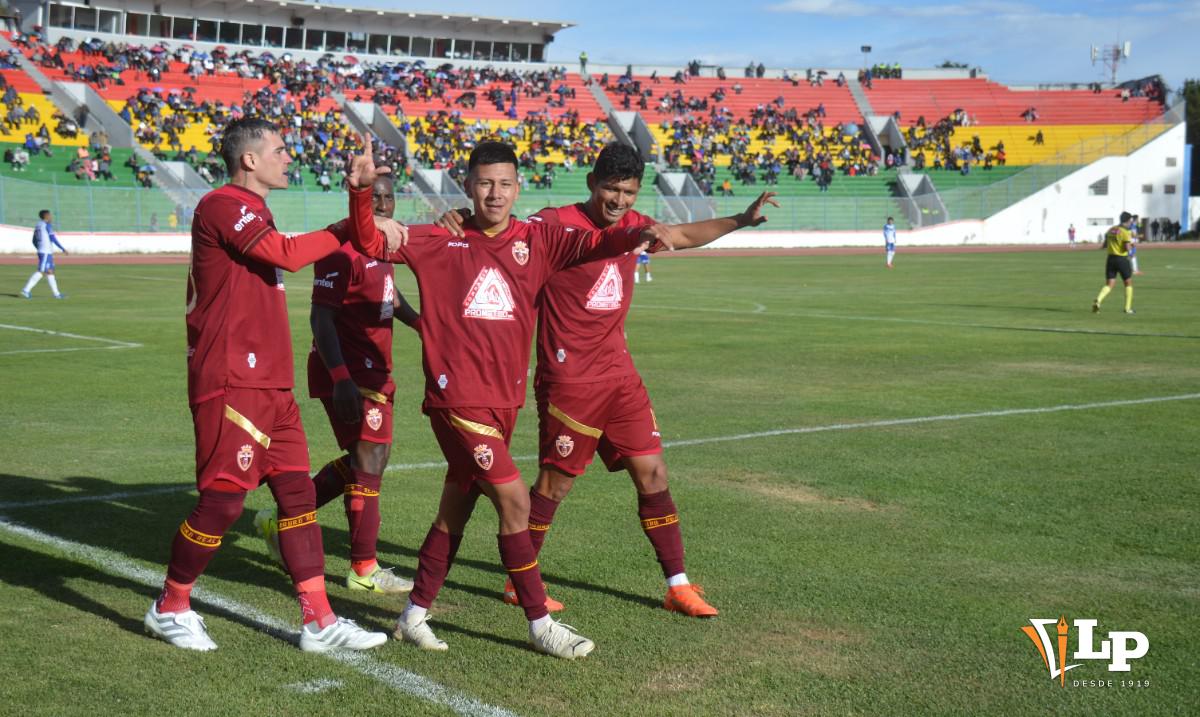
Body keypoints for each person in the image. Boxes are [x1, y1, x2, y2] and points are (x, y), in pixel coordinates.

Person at [346, 140, 751, 659]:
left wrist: (647, 231)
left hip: (504, 402)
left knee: (456, 509)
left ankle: (414, 614)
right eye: (485, 183)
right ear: (467, 186)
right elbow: (370, 240)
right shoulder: (436, 238)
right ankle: (540, 623)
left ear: (518, 188)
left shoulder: (538, 240)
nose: (495, 194)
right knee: (516, 500)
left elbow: (603, 243)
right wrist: (360, 191)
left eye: (505, 184)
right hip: (457, 400)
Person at [434, 144, 776, 619]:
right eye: (612, 189)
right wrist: (457, 217)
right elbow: (499, 232)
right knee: (554, 487)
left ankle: (677, 585)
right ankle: (520, 580)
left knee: (653, 473)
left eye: (629, 192)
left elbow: (682, 235)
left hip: (620, 376)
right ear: (593, 183)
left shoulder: (635, 228)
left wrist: (742, 218)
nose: (619, 200)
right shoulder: (554, 224)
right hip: (570, 381)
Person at [144, 118, 401, 653]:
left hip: (272, 386)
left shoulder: (255, 210)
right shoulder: (221, 204)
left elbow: (294, 247)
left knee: (298, 496)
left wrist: (357, 201)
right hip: (233, 379)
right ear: (249, 160)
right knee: (222, 504)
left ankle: (319, 620)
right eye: (280, 150)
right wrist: (351, 222)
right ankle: (170, 604)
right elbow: (286, 254)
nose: (289, 158)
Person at [255, 174, 419, 596]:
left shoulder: (384, 246)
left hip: (375, 370)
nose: (381, 204)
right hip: (345, 372)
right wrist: (341, 378)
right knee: (371, 459)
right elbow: (320, 319)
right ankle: (364, 568)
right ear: (362, 203)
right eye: (374, 197)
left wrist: (422, 325)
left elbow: (389, 294)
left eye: (388, 197)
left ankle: (282, 520)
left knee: (364, 460)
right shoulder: (339, 251)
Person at [1092, 211, 1136, 315]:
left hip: (1110, 259)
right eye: (1130, 221)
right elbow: (1126, 247)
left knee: (1109, 284)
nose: (1131, 223)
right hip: (1121, 259)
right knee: (1128, 283)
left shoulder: (1111, 229)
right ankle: (1127, 308)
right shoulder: (1125, 232)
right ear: (1128, 220)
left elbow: (1104, 245)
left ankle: (1098, 301)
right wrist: (1132, 246)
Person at [20, 209, 67, 299]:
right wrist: (62, 248)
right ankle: (26, 290)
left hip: (44, 251)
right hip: (45, 252)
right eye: (50, 215)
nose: (51, 217)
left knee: (50, 271)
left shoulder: (38, 225)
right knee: (41, 271)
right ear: (46, 216)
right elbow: (52, 238)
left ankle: (56, 294)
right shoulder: (46, 225)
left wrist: (39, 247)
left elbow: (33, 240)